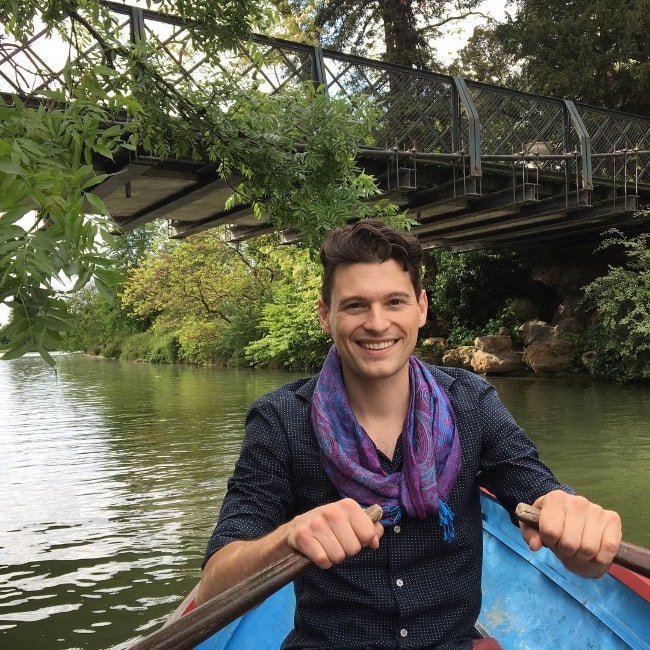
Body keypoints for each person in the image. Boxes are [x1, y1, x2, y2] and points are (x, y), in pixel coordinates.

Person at [196, 219, 622, 649]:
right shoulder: (281, 419)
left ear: (420, 307)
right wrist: (287, 539)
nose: (378, 323)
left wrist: (576, 527)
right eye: (356, 305)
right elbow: (217, 583)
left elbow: (546, 502)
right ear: (326, 314)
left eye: (394, 302)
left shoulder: (471, 402)